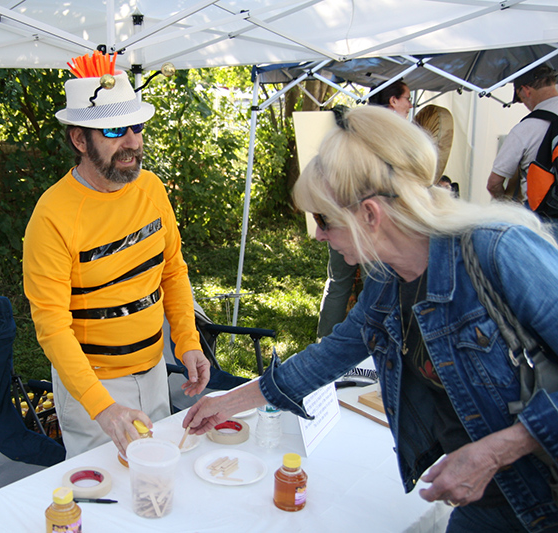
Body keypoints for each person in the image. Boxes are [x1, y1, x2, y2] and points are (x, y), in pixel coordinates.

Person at [184, 105, 558, 533]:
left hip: (544, 492)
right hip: (491, 502)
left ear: (370, 215)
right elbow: (328, 356)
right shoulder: (386, 280)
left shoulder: (501, 253)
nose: (319, 234)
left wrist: (494, 451)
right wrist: (224, 403)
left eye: (324, 220)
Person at [23, 61, 210, 458]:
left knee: (157, 482)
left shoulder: (152, 188)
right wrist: (102, 407)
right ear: (79, 139)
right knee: (107, 502)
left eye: (136, 128)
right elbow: (52, 327)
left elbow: (173, 271)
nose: (131, 142)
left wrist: (187, 341)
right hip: (94, 389)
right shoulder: (52, 216)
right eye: (113, 131)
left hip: (155, 370)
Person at [317, 83, 412, 338]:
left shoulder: (351, 125)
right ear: (392, 101)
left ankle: (326, 341)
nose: (409, 105)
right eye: (407, 99)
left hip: (339, 214)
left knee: (339, 282)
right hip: (368, 219)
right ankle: (365, 345)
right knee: (375, 285)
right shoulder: (385, 132)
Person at [487, 65, 558, 202]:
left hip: (542, 216)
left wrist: (508, 208)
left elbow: (494, 184)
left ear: (526, 90)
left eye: (521, 99)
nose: (525, 105)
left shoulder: (525, 128)